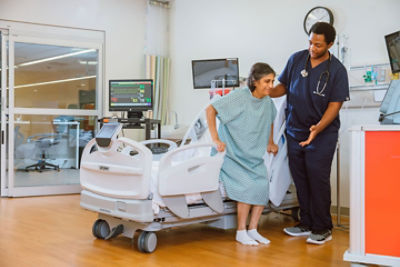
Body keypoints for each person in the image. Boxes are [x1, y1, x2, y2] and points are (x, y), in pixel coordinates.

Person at [269, 22, 349, 245]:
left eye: (318, 44)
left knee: (318, 179)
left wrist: (318, 128)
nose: (312, 47)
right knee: (301, 179)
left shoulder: (337, 70)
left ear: (330, 44)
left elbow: (334, 105)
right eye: (310, 42)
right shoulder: (297, 59)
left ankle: (323, 227)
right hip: (295, 131)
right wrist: (266, 90)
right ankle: (306, 223)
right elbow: (282, 87)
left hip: (322, 134)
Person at [206, 62, 278, 246]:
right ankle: (241, 231)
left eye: (272, 81)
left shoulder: (268, 102)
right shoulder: (239, 97)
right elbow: (211, 110)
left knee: (262, 184)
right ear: (254, 81)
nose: (271, 85)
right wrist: (215, 139)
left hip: (252, 157)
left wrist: (270, 142)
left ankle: (253, 229)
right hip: (231, 155)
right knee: (247, 186)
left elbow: (269, 120)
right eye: (266, 81)